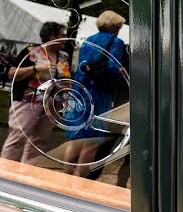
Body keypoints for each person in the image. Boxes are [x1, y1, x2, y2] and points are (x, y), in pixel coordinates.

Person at [63, 10, 128, 177]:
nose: (120, 29)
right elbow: (113, 68)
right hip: (99, 94)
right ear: (114, 27)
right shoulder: (117, 42)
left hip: (80, 90)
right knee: (92, 142)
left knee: (76, 138)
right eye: (119, 26)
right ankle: (79, 181)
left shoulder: (89, 41)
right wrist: (122, 76)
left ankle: (66, 176)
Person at [1, 21, 70, 164]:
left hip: (52, 103)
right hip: (29, 98)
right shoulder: (31, 52)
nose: (65, 38)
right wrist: (36, 68)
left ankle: (27, 174)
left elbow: (67, 79)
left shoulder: (63, 56)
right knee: (18, 137)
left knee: (40, 140)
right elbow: (11, 74)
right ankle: (5, 174)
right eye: (61, 35)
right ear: (51, 36)